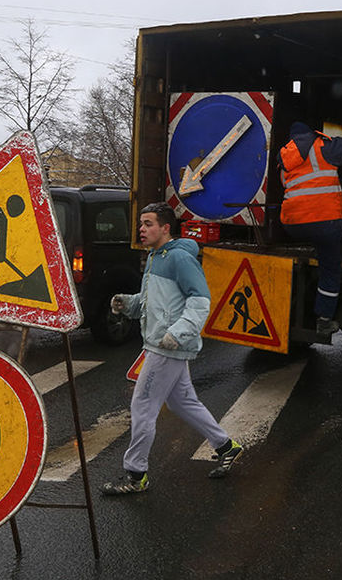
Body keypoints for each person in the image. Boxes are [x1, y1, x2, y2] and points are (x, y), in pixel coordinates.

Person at [103, 202, 242, 494]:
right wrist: (127, 303)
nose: (142, 229)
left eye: (149, 224)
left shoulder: (179, 258)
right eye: (141, 223)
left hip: (167, 346)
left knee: (142, 407)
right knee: (182, 402)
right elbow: (150, 301)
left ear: (166, 228)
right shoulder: (156, 257)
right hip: (164, 342)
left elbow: (200, 301)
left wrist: (177, 333)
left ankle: (136, 475)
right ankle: (226, 446)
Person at [279, 120, 342, 336]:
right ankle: (324, 320)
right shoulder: (322, 147)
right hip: (324, 223)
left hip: (292, 224)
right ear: (310, 133)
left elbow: (309, 184)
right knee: (331, 266)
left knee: (317, 236)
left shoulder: (285, 157)